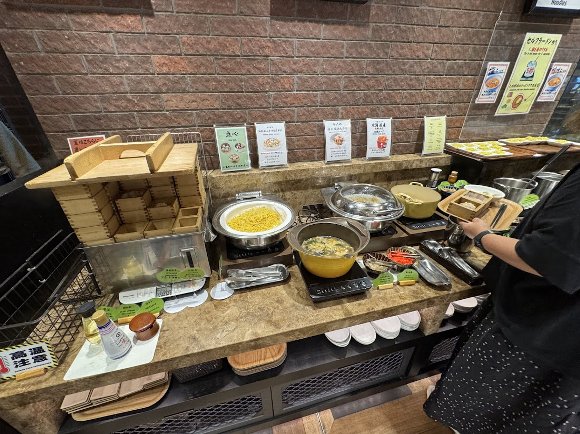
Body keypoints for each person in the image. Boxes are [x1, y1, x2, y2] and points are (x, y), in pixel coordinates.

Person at [424, 163, 580, 434]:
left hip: (545, 323)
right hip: (557, 324)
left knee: (498, 393)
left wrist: (482, 236)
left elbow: (544, 257)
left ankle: (466, 422)